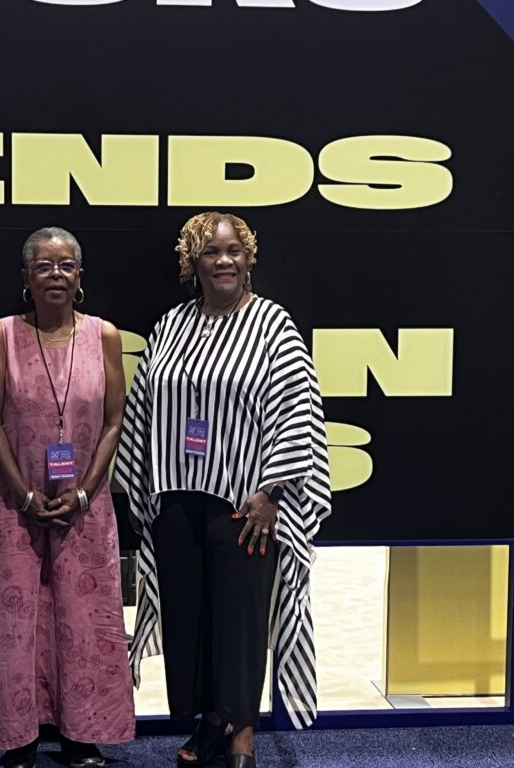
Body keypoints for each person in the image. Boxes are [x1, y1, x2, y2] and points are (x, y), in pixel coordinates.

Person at [115, 212, 331, 768]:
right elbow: (143, 404)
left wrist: (273, 491)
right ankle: (209, 720)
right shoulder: (172, 325)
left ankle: (242, 733)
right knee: (189, 615)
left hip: (246, 501)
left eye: (234, 250)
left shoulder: (273, 326)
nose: (224, 260)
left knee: (239, 617)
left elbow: (297, 409)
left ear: (249, 257)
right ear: (194, 262)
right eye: (211, 251)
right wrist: (143, 484)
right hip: (175, 493)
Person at [0, 227, 135, 768]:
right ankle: (15, 737)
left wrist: (86, 489)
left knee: (84, 619)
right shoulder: (3, 334)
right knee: (13, 620)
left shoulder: (105, 335)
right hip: (13, 505)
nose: (56, 275)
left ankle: (81, 737)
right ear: (26, 279)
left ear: (80, 277)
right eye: (43, 267)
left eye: (66, 266)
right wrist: (23, 493)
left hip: (86, 507)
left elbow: (114, 420)